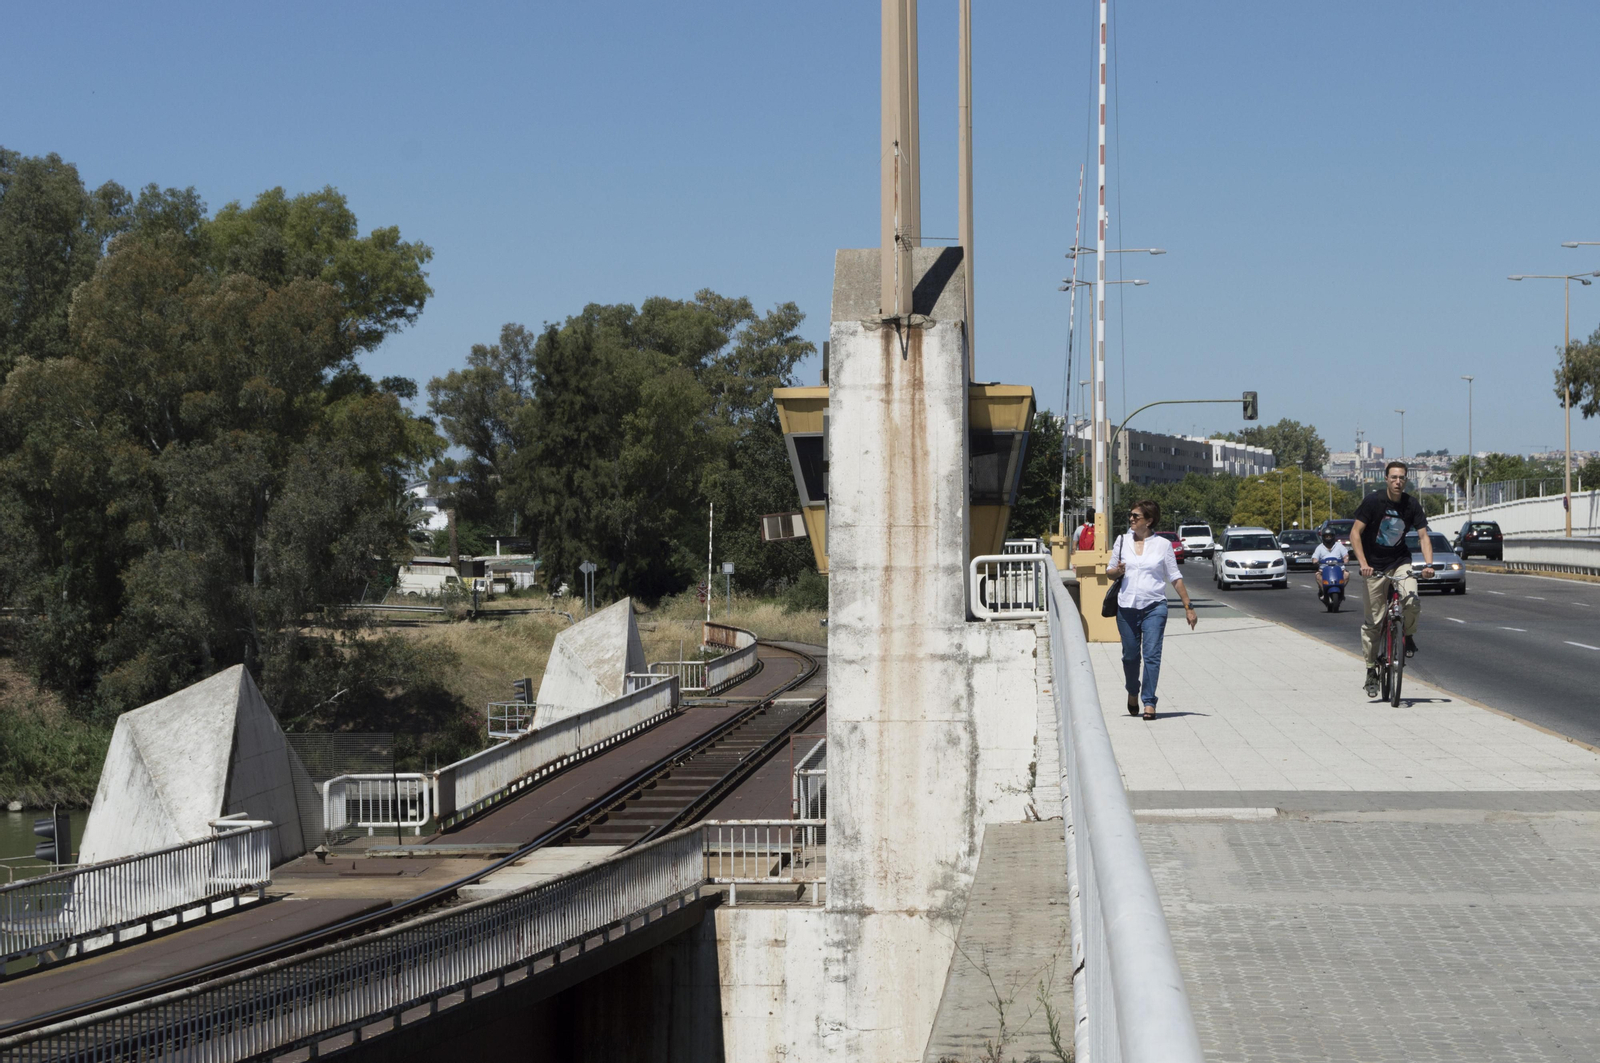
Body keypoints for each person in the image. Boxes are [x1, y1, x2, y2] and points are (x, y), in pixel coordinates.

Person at [1105, 499, 1197, 720]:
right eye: (1131, 515)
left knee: (1152, 655)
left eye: (1135, 516)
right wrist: (1117, 571)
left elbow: (1175, 577)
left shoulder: (1163, 545)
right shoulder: (1122, 541)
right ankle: (1132, 691)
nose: (1131, 519)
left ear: (1149, 520)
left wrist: (1188, 606)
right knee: (1130, 657)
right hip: (1127, 607)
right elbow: (1109, 572)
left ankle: (1149, 702)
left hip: (1155, 606)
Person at [1350, 461, 1434, 698]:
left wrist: (1428, 565)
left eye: (1402, 478)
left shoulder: (1411, 504)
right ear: (1386, 479)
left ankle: (1407, 634)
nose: (1398, 482)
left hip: (1400, 562)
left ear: (1406, 480)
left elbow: (1423, 536)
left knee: (1412, 600)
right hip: (1373, 566)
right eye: (1394, 477)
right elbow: (1355, 533)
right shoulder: (1373, 502)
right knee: (1373, 623)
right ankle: (1371, 671)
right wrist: (1363, 564)